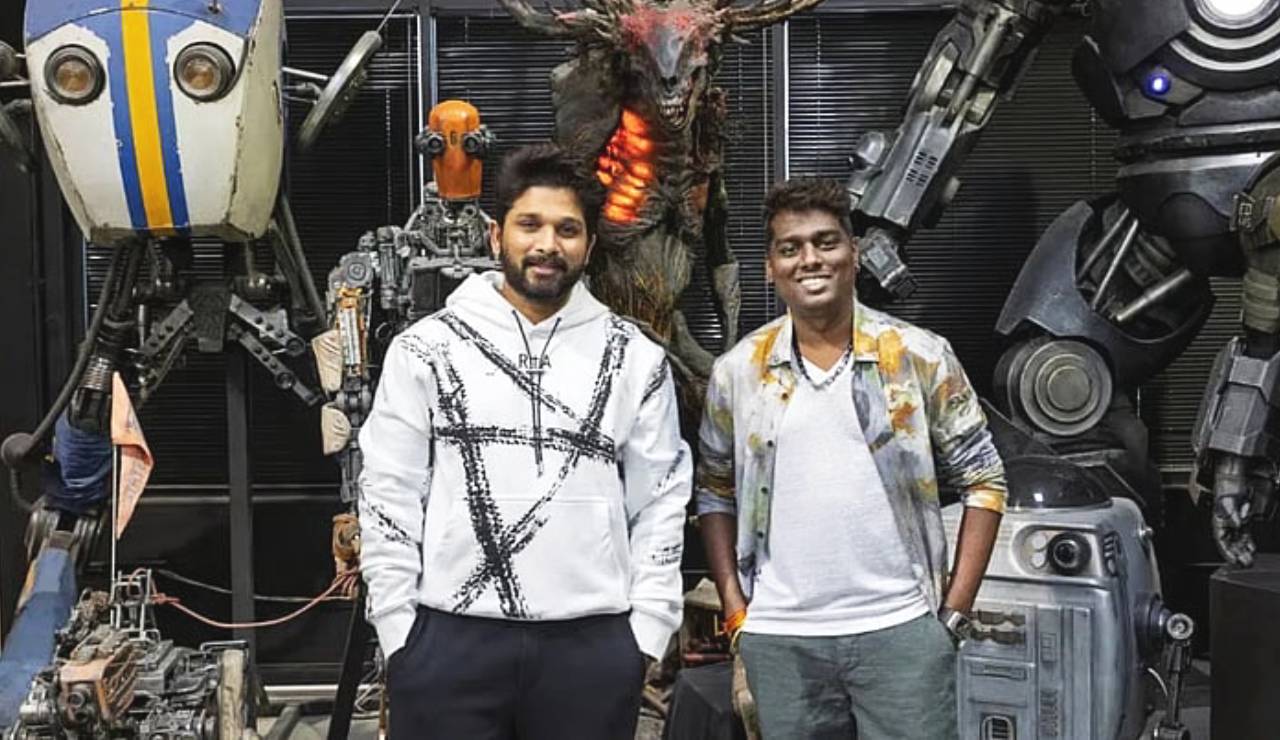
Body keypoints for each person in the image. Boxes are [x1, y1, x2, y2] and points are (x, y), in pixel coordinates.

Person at [358, 143, 692, 740]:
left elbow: (661, 500)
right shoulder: (425, 349)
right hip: (447, 642)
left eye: (567, 229)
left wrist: (646, 634)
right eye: (529, 224)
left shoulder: (633, 358)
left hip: (592, 646)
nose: (547, 244)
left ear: (589, 245)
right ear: (497, 235)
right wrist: (398, 632)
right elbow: (389, 491)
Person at [696, 177, 1007, 739]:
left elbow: (984, 479)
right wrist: (736, 609)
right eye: (790, 248)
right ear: (769, 267)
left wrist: (952, 614)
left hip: (902, 630)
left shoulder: (919, 356)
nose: (810, 259)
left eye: (826, 242)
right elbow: (714, 491)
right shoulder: (738, 372)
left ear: (854, 253)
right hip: (781, 638)